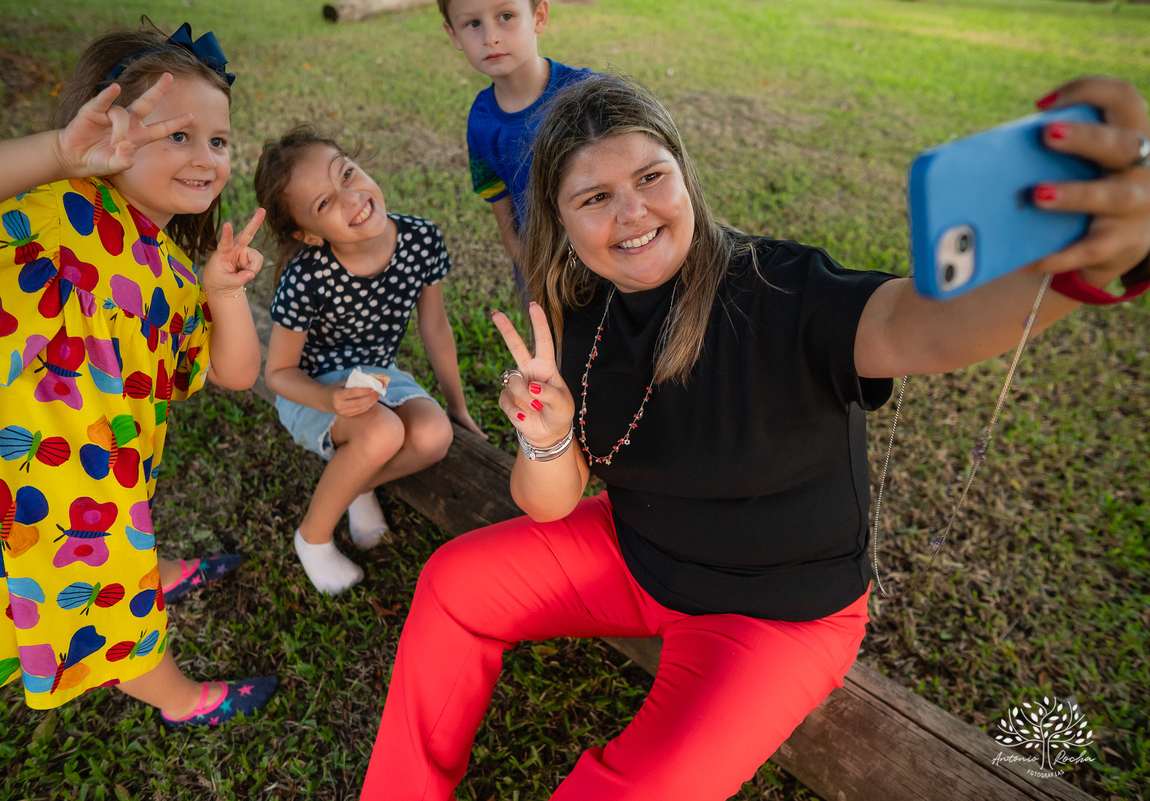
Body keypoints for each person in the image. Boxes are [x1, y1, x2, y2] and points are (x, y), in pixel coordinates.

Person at [360, 74, 1150, 798]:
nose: (633, 214)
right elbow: (550, 501)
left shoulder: (780, 288)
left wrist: (1084, 268)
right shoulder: (577, 309)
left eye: (651, 177)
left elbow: (918, 327)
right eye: (595, 197)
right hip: (634, 555)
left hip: (775, 614)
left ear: (685, 177)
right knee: (454, 584)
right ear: (560, 222)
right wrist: (549, 437)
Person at [0, 24, 277, 727]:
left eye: (218, 141)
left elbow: (235, 373)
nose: (206, 157)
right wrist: (55, 153)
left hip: (106, 477)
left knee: (119, 554)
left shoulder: (171, 267)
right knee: (106, 602)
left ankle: (147, 567)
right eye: (178, 136)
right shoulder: (55, 215)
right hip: (36, 490)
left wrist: (224, 294)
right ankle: (180, 699)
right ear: (107, 132)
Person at [255, 126, 487, 595]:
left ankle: (357, 483)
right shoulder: (307, 276)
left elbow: (435, 329)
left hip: (379, 378)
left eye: (346, 173)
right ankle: (313, 536)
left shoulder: (420, 239)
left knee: (434, 434)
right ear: (307, 234)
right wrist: (329, 398)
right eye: (324, 203)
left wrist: (456, 405)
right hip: (312, 390)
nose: (351, 198)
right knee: (383, 431)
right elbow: (278, 373)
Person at [439, 0, 591, 280]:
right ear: (453, 35)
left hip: (611, 264)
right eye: (473, 23)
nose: (490, 38)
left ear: (539, 16)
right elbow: (500, 204)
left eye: (506, 16)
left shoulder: (590, 95)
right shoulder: (481, 121)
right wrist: (533, 272)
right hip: (540, 272)